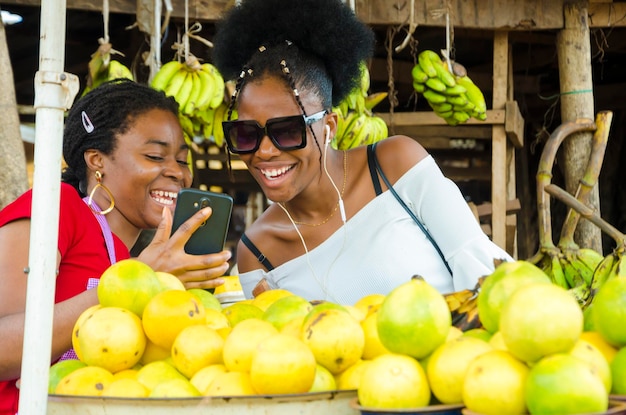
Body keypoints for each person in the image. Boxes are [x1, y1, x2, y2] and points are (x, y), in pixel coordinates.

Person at [211, 0, 512, 305]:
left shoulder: (395, 165)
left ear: (329, 126)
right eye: (246, 134)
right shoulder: (257, 252)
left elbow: (483, 273)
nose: (264, 151)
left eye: (287, 131)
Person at [0, 79, 231, 414]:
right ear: (97, 161)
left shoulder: (131, 257)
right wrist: (139, 278)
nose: (178, 173)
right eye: (155, 155)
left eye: (182, 160)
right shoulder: (56, 208)